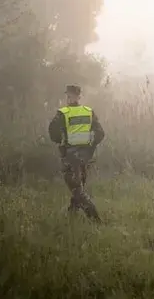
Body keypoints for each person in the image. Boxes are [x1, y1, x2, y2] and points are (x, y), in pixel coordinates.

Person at [48, 85, 105, 221]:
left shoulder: (62, 113)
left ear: (75, 96)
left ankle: (96, 220)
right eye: (68, 96)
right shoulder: (88, 112)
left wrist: (62, 143)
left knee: (77, 190)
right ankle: (71, 214)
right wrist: (90, 147)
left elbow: (53, 133)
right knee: (78, 187)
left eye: (69, 95)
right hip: (85, 157)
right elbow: (100, 133)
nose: (69, 98)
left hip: (70, 157)